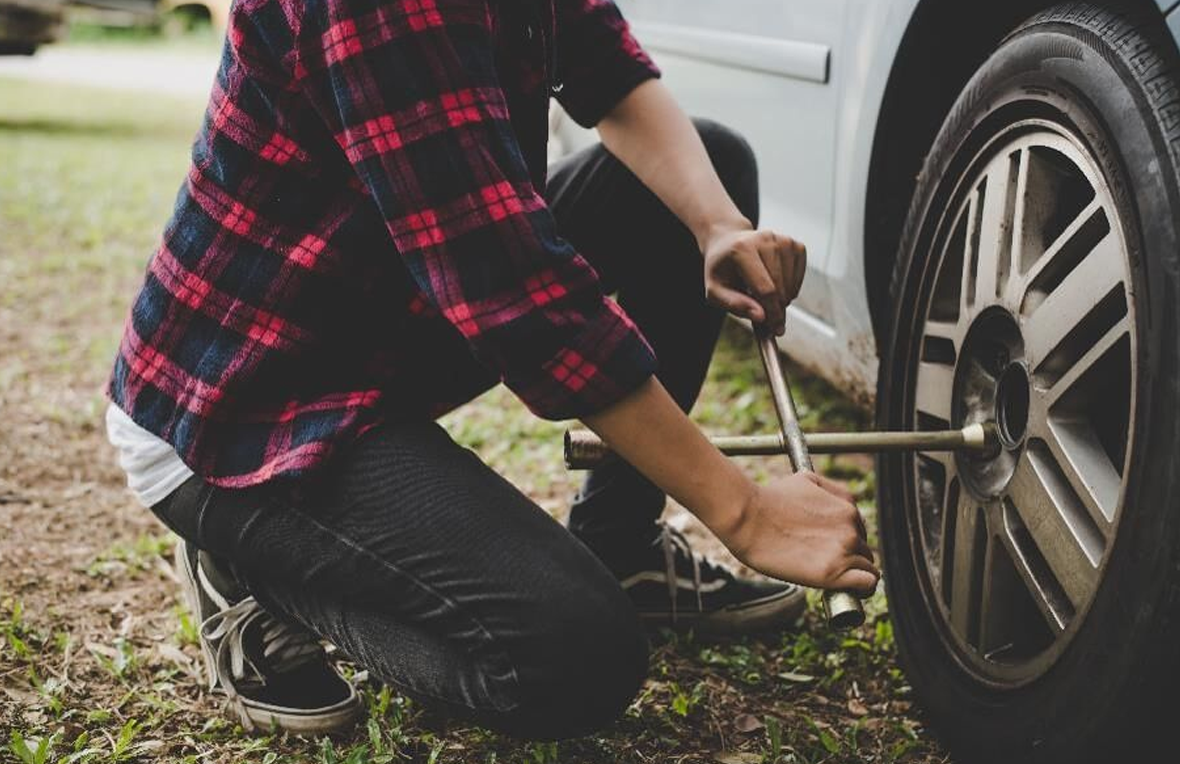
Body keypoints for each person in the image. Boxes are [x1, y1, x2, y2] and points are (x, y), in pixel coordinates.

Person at [104, 0, 879, 742]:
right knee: (575, 660)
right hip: (243, 405)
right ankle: (255, 565)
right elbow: (519, 301)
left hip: (383, 314)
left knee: (702, 174)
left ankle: (621, 548)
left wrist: (716, 226)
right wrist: (744, 511)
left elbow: (601, 61)